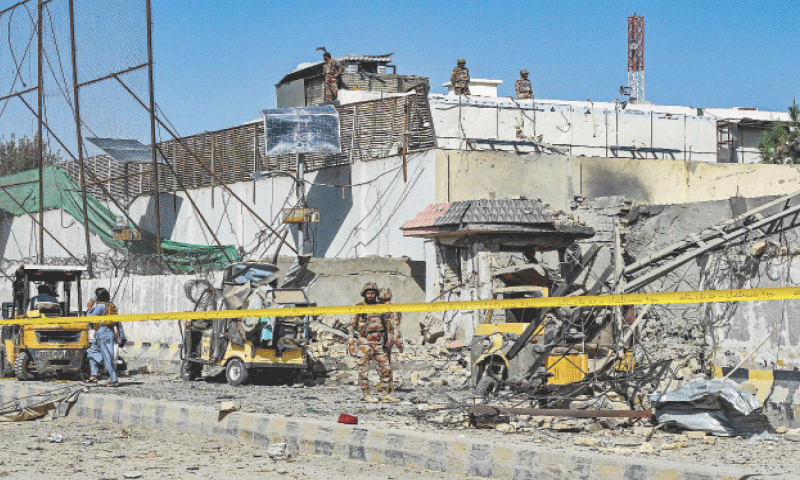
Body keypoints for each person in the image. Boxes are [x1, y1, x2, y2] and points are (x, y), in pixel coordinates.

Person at [349, 282, 398, 403]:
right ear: (364, 294)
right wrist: (351, 344)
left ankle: (386, 394)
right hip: (364, 342)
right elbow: (351, 326)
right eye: (368, 293)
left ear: (376, 294)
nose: (370, 295)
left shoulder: (380, 307)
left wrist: (390, 338)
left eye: (372, 293)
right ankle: (366, 394)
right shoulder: (359, 307)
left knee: (386, 368)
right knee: (363, 370)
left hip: (378, 342)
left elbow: (388, 324)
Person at [85, 287, 126, 387]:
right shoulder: (111, 306)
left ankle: (114, 380)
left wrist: (89, 307)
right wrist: (122, 335)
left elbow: (90, 319)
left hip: (102, 333)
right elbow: (118, 322)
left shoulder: (100, 307)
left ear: (98, 297)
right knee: (91, 352)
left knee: (107, 357)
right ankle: (93, 375)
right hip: (106, 333)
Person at [379, 287, 403, 393]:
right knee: (385, 361)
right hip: (388, 337)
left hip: (387, 338)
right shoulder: (394, 308)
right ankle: (388, 384)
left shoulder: (387, 309)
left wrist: (392, 339)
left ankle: (387, 385)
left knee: (384, 362)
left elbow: (393, 325)